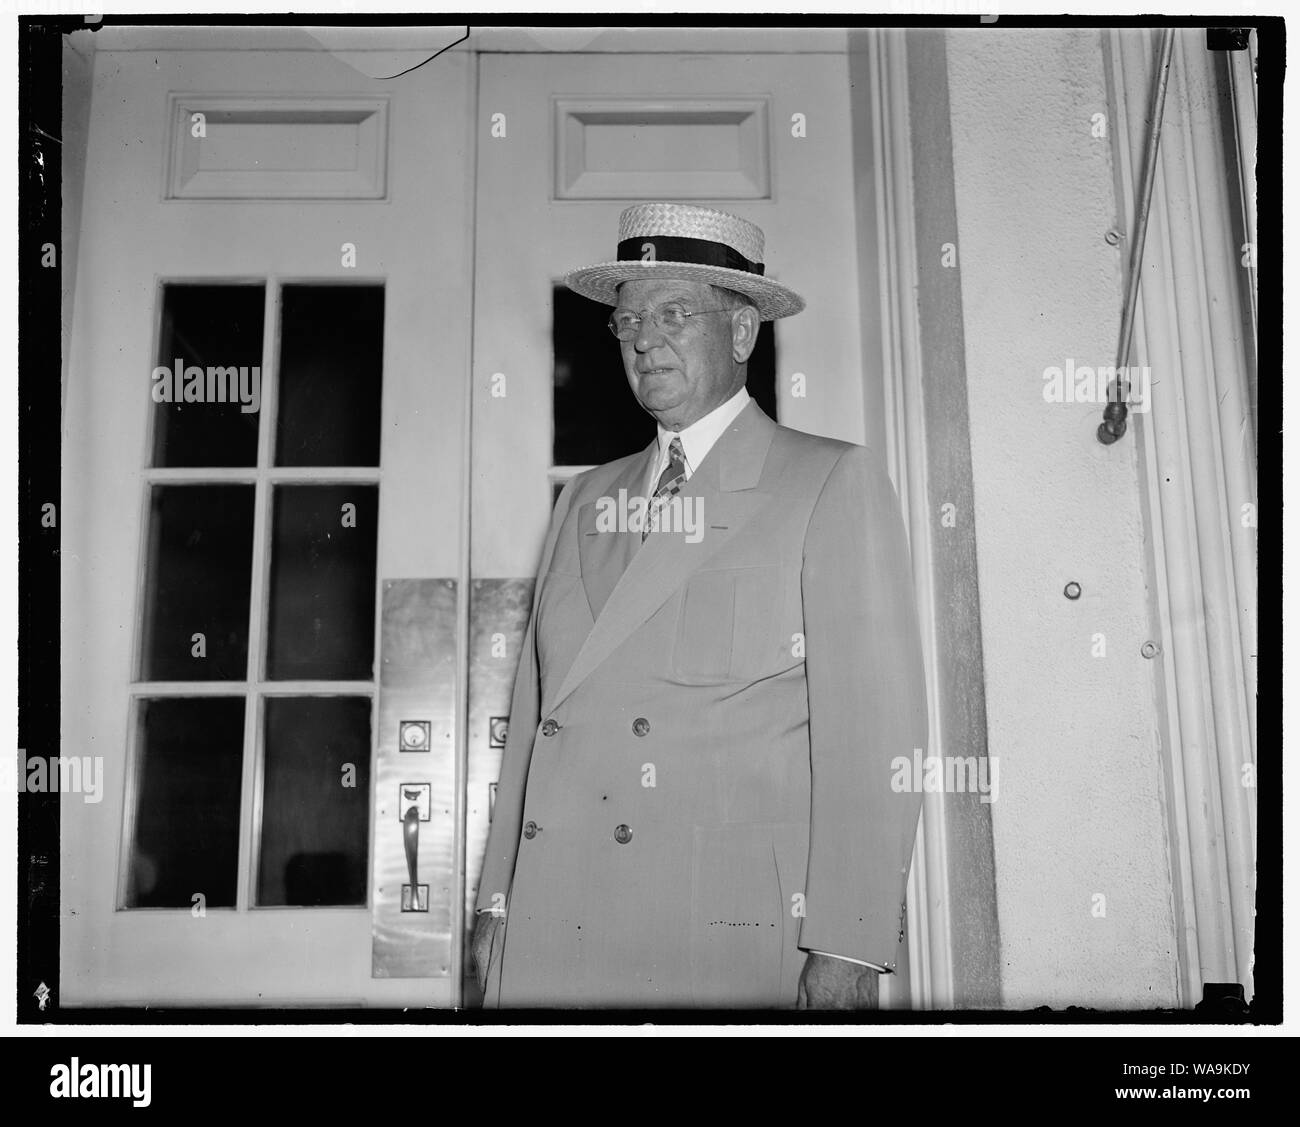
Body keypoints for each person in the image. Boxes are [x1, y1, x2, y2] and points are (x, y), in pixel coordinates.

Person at [472, 202, 928, 1008]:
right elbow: (535, 727)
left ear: (743, 332)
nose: (645, 338)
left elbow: (874, 740)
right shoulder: (585, 497)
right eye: (627, 320)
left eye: (675, 312)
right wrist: (493, 904)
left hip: (725, 937)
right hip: (558, 932)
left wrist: (850, 946)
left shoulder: (827, 483)